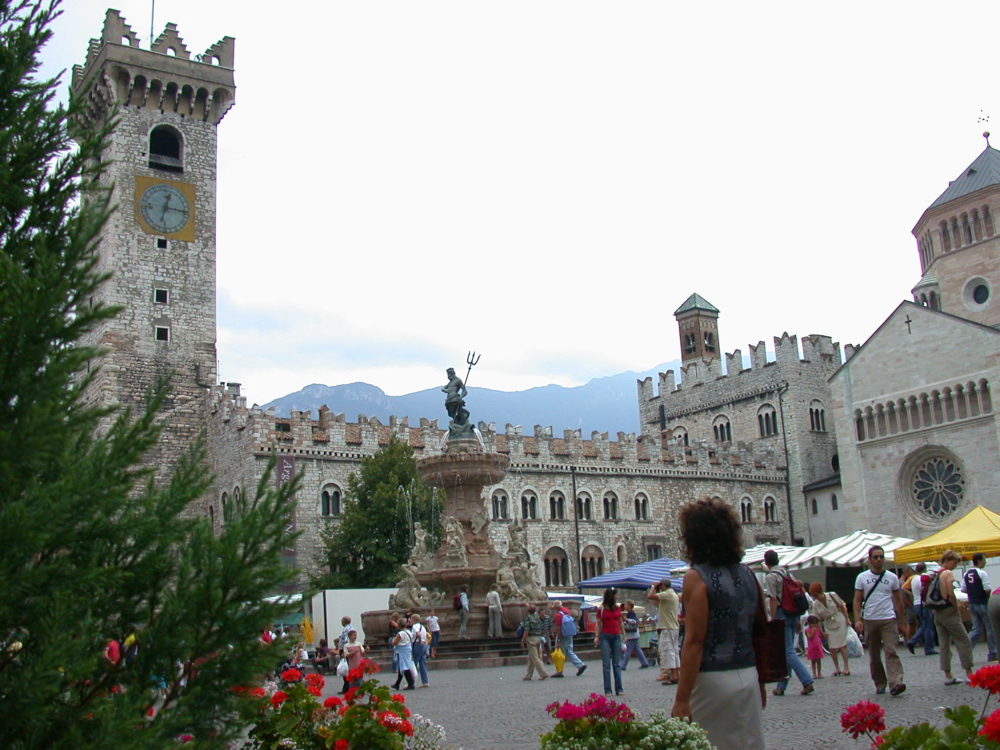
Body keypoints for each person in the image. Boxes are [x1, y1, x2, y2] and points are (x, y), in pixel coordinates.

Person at [671, 498, 766, 750]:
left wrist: (681, 699)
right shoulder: (748, 574)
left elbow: (694, 641)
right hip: (748, 674)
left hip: (713, 680)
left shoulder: (697, 577)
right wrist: (762, 681)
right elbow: (758, 631)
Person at [853, 544, 906, 696]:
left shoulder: (892, 577)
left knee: (891, 650)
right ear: (870, 560)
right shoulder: (862, 578)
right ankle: (880, 682)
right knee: (874, 654)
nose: (879, 559)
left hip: (888, 618)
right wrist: (858, 619)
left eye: (881, 556)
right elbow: (857, 600)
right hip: (870, 619)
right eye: (875, 557)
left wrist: (902, 622)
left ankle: (896, 682)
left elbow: (898, 600)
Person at [764, 549, 815, 696]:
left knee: (787, 651)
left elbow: (773, 599)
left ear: (766, 562)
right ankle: (781, 686)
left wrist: (773, 620)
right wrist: (798, 619)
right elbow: (794, 596)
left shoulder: (771, 576)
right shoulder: (787, 573)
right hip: (793, 613)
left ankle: (807, 680)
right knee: (787, 650)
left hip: (781, 613)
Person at [933, 549, 975, 685]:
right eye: (955, 563)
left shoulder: (935, 573)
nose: (955, 566)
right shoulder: (947, 573)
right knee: (964, 640)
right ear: (949, 560)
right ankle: (969, 673)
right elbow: (950, 593)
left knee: (944, 644)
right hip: (949, 612)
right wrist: (956, 607)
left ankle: (948, 675)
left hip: (937, 612)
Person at [808, 582, 851, 675]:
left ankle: (846, 667)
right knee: (832, 647)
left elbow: (842, 606)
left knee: (843, 644)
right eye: (814, 595)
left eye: (816, 594)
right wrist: (821, 631)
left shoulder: (832, 595)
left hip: (839, 619)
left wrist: (847, 619)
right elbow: (817, 620)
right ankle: (837, 668)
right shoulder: (815, 604)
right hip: (828, 624)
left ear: (820, 592)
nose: (816, 597)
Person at [963, 552, 997, 661]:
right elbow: (987, 589)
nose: (985, 562)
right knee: (990, 628)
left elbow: (963, 589)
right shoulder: (982, 573)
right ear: (979, 561)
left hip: (972, 603)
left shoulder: (967, 573)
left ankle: (966, 650)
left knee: (976, 629)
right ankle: (993, 653)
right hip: (982, 603)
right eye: (984, 559)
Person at [648, 578, 680, 684]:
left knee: (668, 651)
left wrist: (653, 587)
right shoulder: (672, 595)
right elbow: (655, 602)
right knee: (674, 651)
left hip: (668, 627)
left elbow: (650, 596)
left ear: (663, 585)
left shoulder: (667, 594)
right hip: (673, 627)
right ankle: (675, 674)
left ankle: (672, 676)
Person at [593, 588, 625, 696]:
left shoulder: (617, 608)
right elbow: (598, 623)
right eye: (616, 595)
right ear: (611, 596)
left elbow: (620, 622)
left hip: (616, 636)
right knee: (606, 664)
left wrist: (624, 634)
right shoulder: (601, 609)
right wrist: (597, 636)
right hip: (605, 636)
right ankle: (608, 689)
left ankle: (619, 688)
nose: (617, 597)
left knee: (617, 664)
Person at [905, 562, 938, 656]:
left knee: (924, 625)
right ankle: (926, 647)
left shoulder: (913, 579)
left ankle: (914, 641)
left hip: (916, 603)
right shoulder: (923, 578)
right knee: (928, 627)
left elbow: (904, 588)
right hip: (923, 604)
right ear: (924, 569)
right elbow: (925, 591)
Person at [549, 600, 586, 677]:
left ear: (556, 607)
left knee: (560, 653)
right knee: (569, 651)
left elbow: (559, 628)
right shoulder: (566, 610)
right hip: (569, 633)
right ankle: (580, 665)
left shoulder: (558, 615)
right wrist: (553, 607)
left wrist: (558, 639)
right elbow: (558, 607)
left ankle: (559, 671)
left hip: (562, 635)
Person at [520, 604, 549, 680]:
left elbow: (527, 630)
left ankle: (543, 673)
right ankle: (528, 675)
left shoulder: (528, 618)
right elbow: (542, 627)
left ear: (528, 611)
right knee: (531, 657)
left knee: (535, 658)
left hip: (531, 639)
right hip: (538, 638)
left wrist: (523, 640)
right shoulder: (537, 617)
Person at [619, 599, 650, 671]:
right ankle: (644, 663)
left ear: (629, 606)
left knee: (628, 651)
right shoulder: (630, 613)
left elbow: (634, 621)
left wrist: (626, 620)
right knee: (637, 650)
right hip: (634, 634)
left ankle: (623, 665)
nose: (625, 606)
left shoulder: (631, 613)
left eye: (626, 605)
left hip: (632, 635)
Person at [391, 619, 416, 690]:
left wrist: (393, 639)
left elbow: (394, 642)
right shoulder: (409, 632)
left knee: (404, 667)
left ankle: (410, 683)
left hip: (402, 651)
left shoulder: (401, 633)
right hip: (408, 649)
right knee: (402, 666)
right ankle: (397, 683)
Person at [409, 614, 430, 687]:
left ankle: (411, 682)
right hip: (424, 646)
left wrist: (420, 641)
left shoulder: (415, 626)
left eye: (410, 619)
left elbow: (418, 634)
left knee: (413, 664)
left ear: (414, 620)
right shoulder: (422, 626)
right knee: (422, 664)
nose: (409, 620)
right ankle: (425, 682)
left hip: (418, 645)